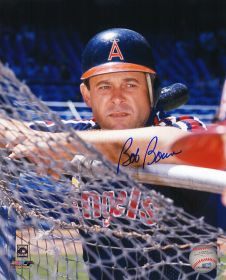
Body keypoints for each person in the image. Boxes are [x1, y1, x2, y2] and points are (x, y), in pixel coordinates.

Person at [0, 28, 217, 279]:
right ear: (87, 95)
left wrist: (69, 144)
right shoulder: (78, 131)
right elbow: (12, 130)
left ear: (152, 90)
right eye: (104, 86)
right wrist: (45, 139)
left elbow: (175, 142)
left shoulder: (183, 126)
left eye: (130, 84)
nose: (117, 98)